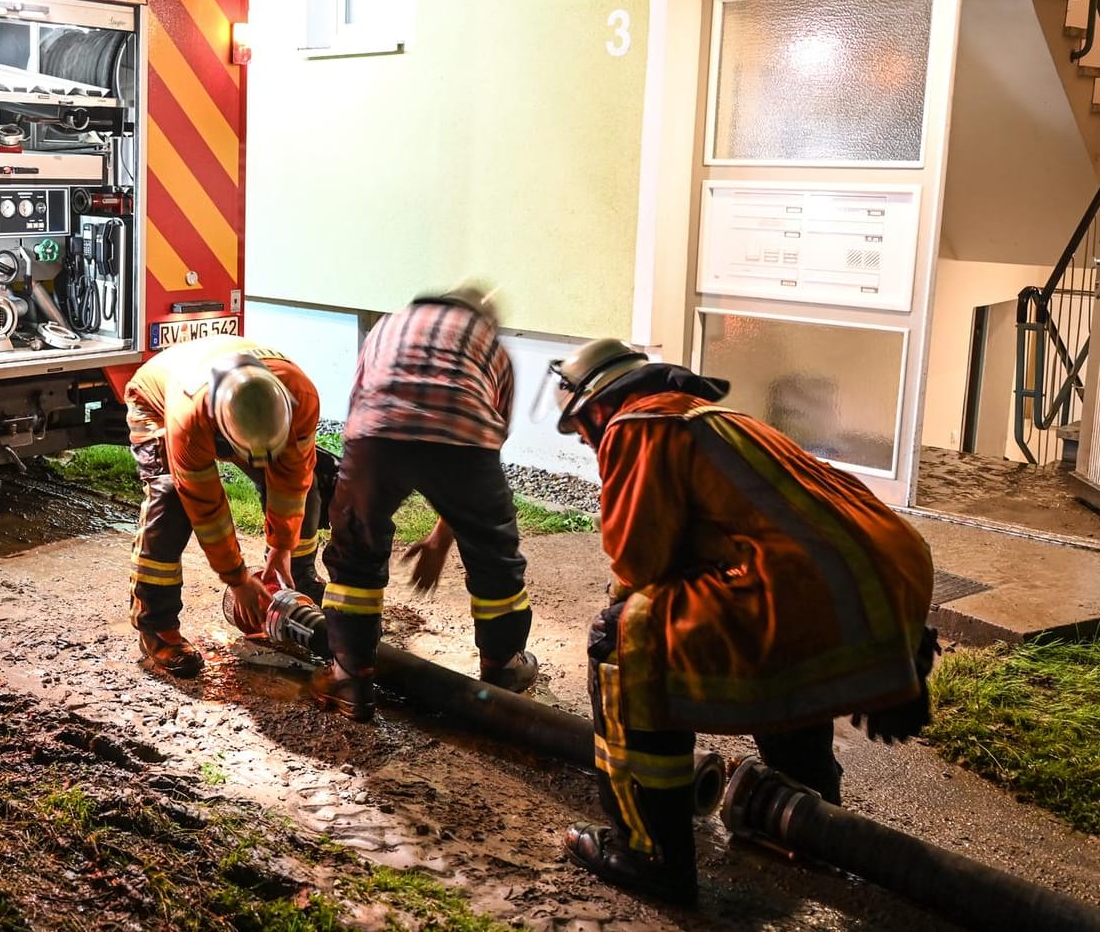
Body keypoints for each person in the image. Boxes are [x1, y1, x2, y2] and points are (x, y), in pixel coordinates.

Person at [551, 338, 938, 906]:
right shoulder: (715, 418)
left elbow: (638, 560)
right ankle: (805, 817)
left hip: (810, 585)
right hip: (886, 574)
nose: (587, 444)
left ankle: (647, 852)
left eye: (582, 431)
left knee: (621, 636)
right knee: (767, 633)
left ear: (598, 406)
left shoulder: (638, 425)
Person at [310, 284, 540, 722]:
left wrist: (362, 492)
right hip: (463, 441)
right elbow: (489, 436)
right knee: (493, 554)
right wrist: (444, 536)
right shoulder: (490, 345)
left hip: (376, 437)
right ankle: (503, 667)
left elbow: (361, 397)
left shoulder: (387, 326)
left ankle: (349, 678)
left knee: (356, 551)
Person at [124, 334, 324, 678]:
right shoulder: (189, 417)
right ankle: (155, 626)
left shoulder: (301, 394)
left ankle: (298, 578)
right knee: (171, 500)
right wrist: (237, 578)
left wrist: (281, 548)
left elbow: (292, 479)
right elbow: (206, 507)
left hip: (225, 398)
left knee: (311, 486)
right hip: (156, 402)